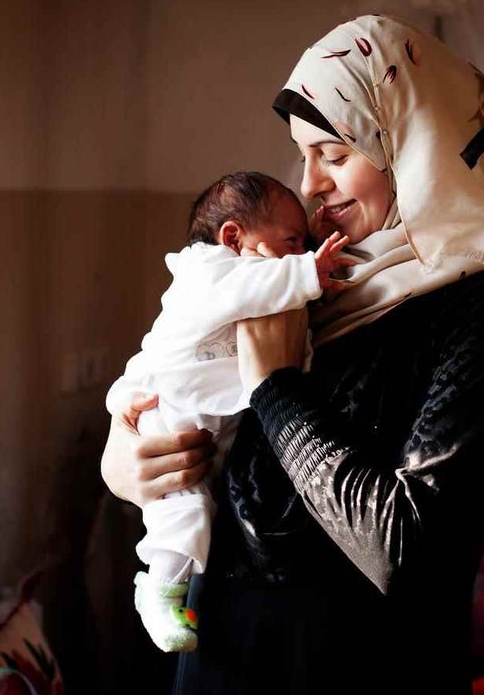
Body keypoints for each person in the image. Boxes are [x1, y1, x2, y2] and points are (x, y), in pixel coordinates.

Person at [100, 14, 484, 695]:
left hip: (358, 678)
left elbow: (408, 551)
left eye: (334, 156)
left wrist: (278, 389)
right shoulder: (318, 276)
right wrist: (126, 459)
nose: (310, 186)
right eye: (302, 155)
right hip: (220, 668)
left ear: (410, 148)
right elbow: (182, 374)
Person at [105, 171, 353, 653]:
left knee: (202, 503)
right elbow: (252, 288)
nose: (301, 254)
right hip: (170, 407)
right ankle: (158, 590)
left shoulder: (255, 278)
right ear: (234, 237)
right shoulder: (210, 272)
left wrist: (309, 275)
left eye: (304, 244)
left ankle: (166, 585)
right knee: (186, 508)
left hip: (204, 416)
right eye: (292, 241)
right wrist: (308, 275)